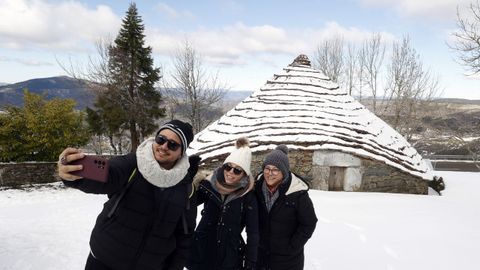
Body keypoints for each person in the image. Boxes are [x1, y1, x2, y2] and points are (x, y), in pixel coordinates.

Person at [57, 120, 200, 270]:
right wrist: (73, 171)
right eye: (161, 139)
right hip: (104, 258)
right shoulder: (133, 163)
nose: (164, 146)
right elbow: (108, 173)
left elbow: (184, 235)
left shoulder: (186, 187)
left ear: (181, 152)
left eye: (172, 144)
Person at [186, 137, 259, 270]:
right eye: (228, 167)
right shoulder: (209, 184)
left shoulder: (248, 196)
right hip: (201, 250)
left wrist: (251, 261)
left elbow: (253, 232)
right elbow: (187, 202)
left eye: (237, 170)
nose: (230, 172)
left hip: (228, 256)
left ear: (244, 174)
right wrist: (188, 179)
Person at [254, 145, 317, 270]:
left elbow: (309, 223)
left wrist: (292, 246)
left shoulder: (297, 193)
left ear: (284, 172)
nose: (269, 173)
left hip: (288, 260)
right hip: (260, 256)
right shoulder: (256, 188)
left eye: (275, 169)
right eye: (267, 168)